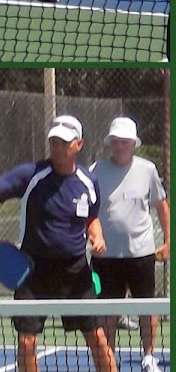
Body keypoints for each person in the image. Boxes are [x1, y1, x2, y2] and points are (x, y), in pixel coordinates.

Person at [0, 115, 115, 372]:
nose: (58, 147)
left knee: (97, 338)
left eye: (64, 142)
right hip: (33, 272)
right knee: (27, 342)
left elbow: (91, 217)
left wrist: (97, 235)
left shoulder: (88, 181)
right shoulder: (32, 174)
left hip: (76, 272)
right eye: (54, 141)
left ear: (78, 145)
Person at [89, 117, 168, 372]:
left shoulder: (147, 169)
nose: (120, 146)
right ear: (110, 143)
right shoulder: (95, 170)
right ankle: (108, 357)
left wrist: (169, 241)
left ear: (133, 144)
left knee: (147, 307)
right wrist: (92, 237)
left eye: (125, 142)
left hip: (142, 254)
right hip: (105, 258)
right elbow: (87, 210)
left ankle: (148, 356)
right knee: (107, 311)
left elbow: (161, 206)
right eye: (116, 142)